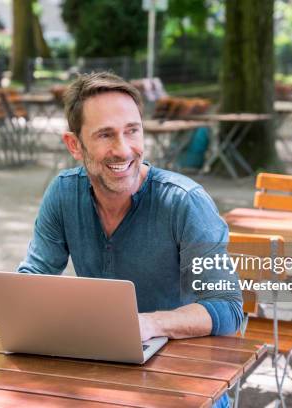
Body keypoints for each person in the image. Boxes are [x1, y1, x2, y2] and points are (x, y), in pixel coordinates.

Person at [17, 72, 242, 407]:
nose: (123, 150)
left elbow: (228, 308)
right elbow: (31, 281)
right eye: (106, 135)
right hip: (100, 376)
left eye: (132, 131)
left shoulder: (184, 202)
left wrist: (146, 324)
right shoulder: (63, 194)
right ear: (74, 145)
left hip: (185, 384)